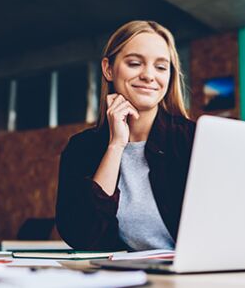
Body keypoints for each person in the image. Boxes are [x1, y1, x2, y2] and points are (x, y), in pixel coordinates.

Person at [55, 20, 195, 251]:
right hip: (120, 278)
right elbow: (82, 236)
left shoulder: (192, 140)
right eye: (134, 63)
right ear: (108, 69)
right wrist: (116, 145)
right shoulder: (82, 148)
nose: (149, 75)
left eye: (161, 67)